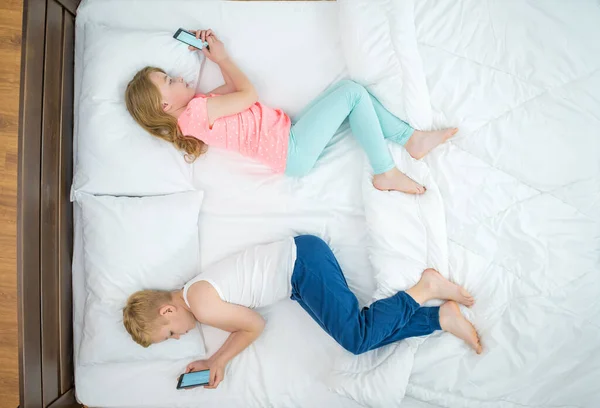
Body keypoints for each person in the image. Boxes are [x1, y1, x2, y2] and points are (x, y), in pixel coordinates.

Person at [123, 235, 482, 389]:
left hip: (302, 266)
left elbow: (253, 324)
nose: (180, 336)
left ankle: (426, 288)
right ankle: (439, 318)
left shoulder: (200, 305)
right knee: (357, 338)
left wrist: (218, 361)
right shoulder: (196, 292)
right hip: (300, 275)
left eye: (169, 332)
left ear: (168, 310)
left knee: (357, 338)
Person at [125, 29, 458, 195]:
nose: (179, 76)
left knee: (358, 97)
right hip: (290, 149)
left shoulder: (197, 114)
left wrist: (217, 57)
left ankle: (411, 139)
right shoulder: (195, 115)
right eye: (169, 80)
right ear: (165, 106)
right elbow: (247, 93)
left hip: (289, 140)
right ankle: (385, 171)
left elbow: (231, 92)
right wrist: (224, 60)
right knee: (352, 92)